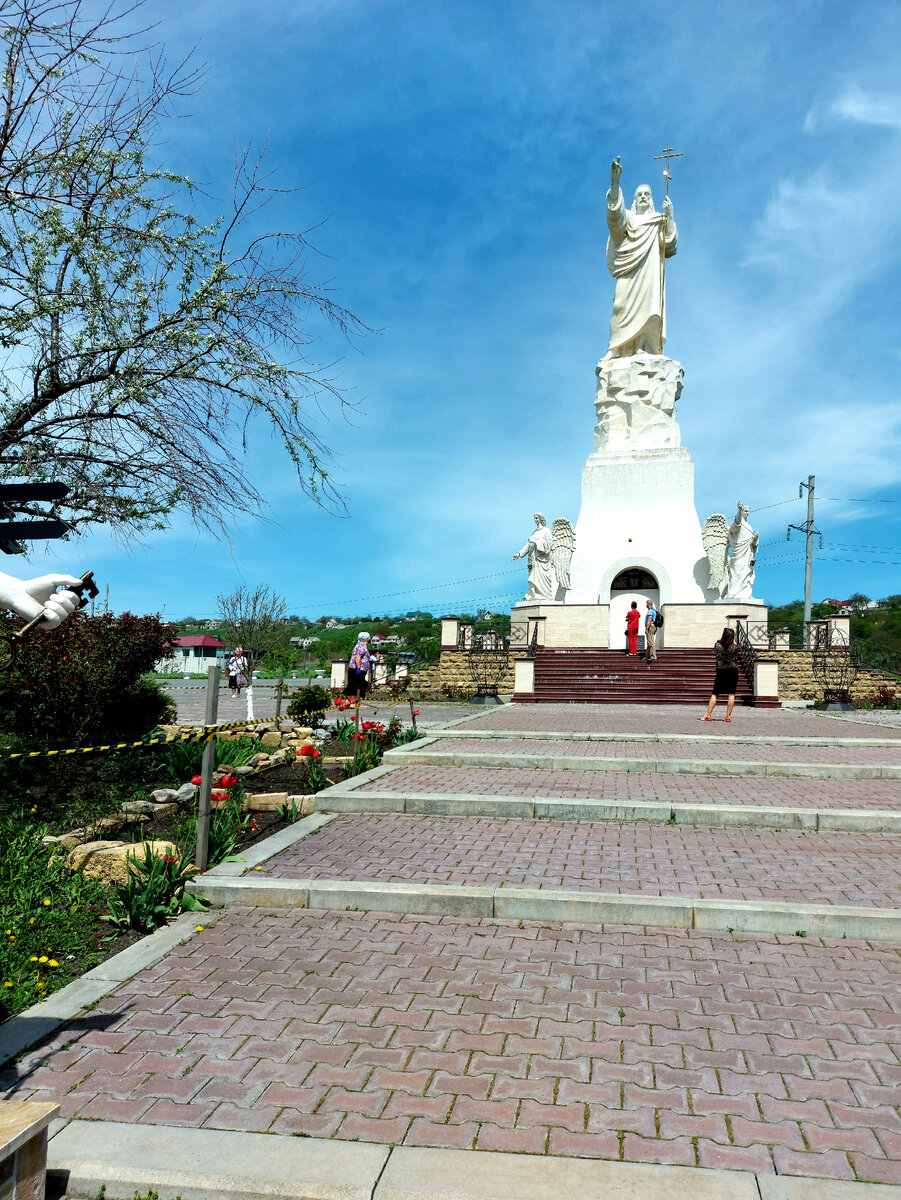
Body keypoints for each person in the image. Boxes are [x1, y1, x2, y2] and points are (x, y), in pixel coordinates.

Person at [604, 156, 678, 359]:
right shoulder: (630, 217)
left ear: (651, 199)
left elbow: (669, 246)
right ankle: (617, 348)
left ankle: (643, 346)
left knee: (649, 308)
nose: (644, 197)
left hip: (650, 271)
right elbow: (615, 220)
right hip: (629, 269)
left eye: (647, 194)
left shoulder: (657, 221)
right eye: (639, 194)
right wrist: (615, 183)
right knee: (620, 305)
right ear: (635, 199)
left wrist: (669, 218)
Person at [511, 513, 555, 601]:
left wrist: (536, 541)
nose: (535, 520)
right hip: (533, 559)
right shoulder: (534, 532)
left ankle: (544, 596)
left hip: (542, 560)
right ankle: (532, 593)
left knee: (542, 578)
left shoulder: (546, 531)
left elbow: (549, 546)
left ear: (541, 519)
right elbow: (528, 545)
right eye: (534, 518)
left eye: (536, 518)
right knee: (532, 578)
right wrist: (519, 554)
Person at [705, 628, 740, 722]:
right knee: (731, 694)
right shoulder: (735, 647)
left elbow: (718, 645)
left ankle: (708, 715)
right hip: (732, 671)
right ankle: (728, 717)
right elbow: (739, 650)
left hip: (721, 671)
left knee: (715, 693)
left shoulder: (718, 645)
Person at [348, 631, 371, 699]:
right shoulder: (361, 646)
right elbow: (358, 657)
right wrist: (358, 668)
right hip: (357, 669)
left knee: (358, 685)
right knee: (357, 686)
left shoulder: (360, 645)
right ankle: (352, 702)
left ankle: (355, 701)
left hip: (360, 669)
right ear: (367, 639)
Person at [644, 599, 658, 663]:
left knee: (650, 642)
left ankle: (653, 656)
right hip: (654, 626)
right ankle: (647, 656)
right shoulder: (654, 610)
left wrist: (646, 628)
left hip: (650, 626)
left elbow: (649, 621)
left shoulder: (650, 611)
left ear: (647, 605)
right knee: (649, 641)